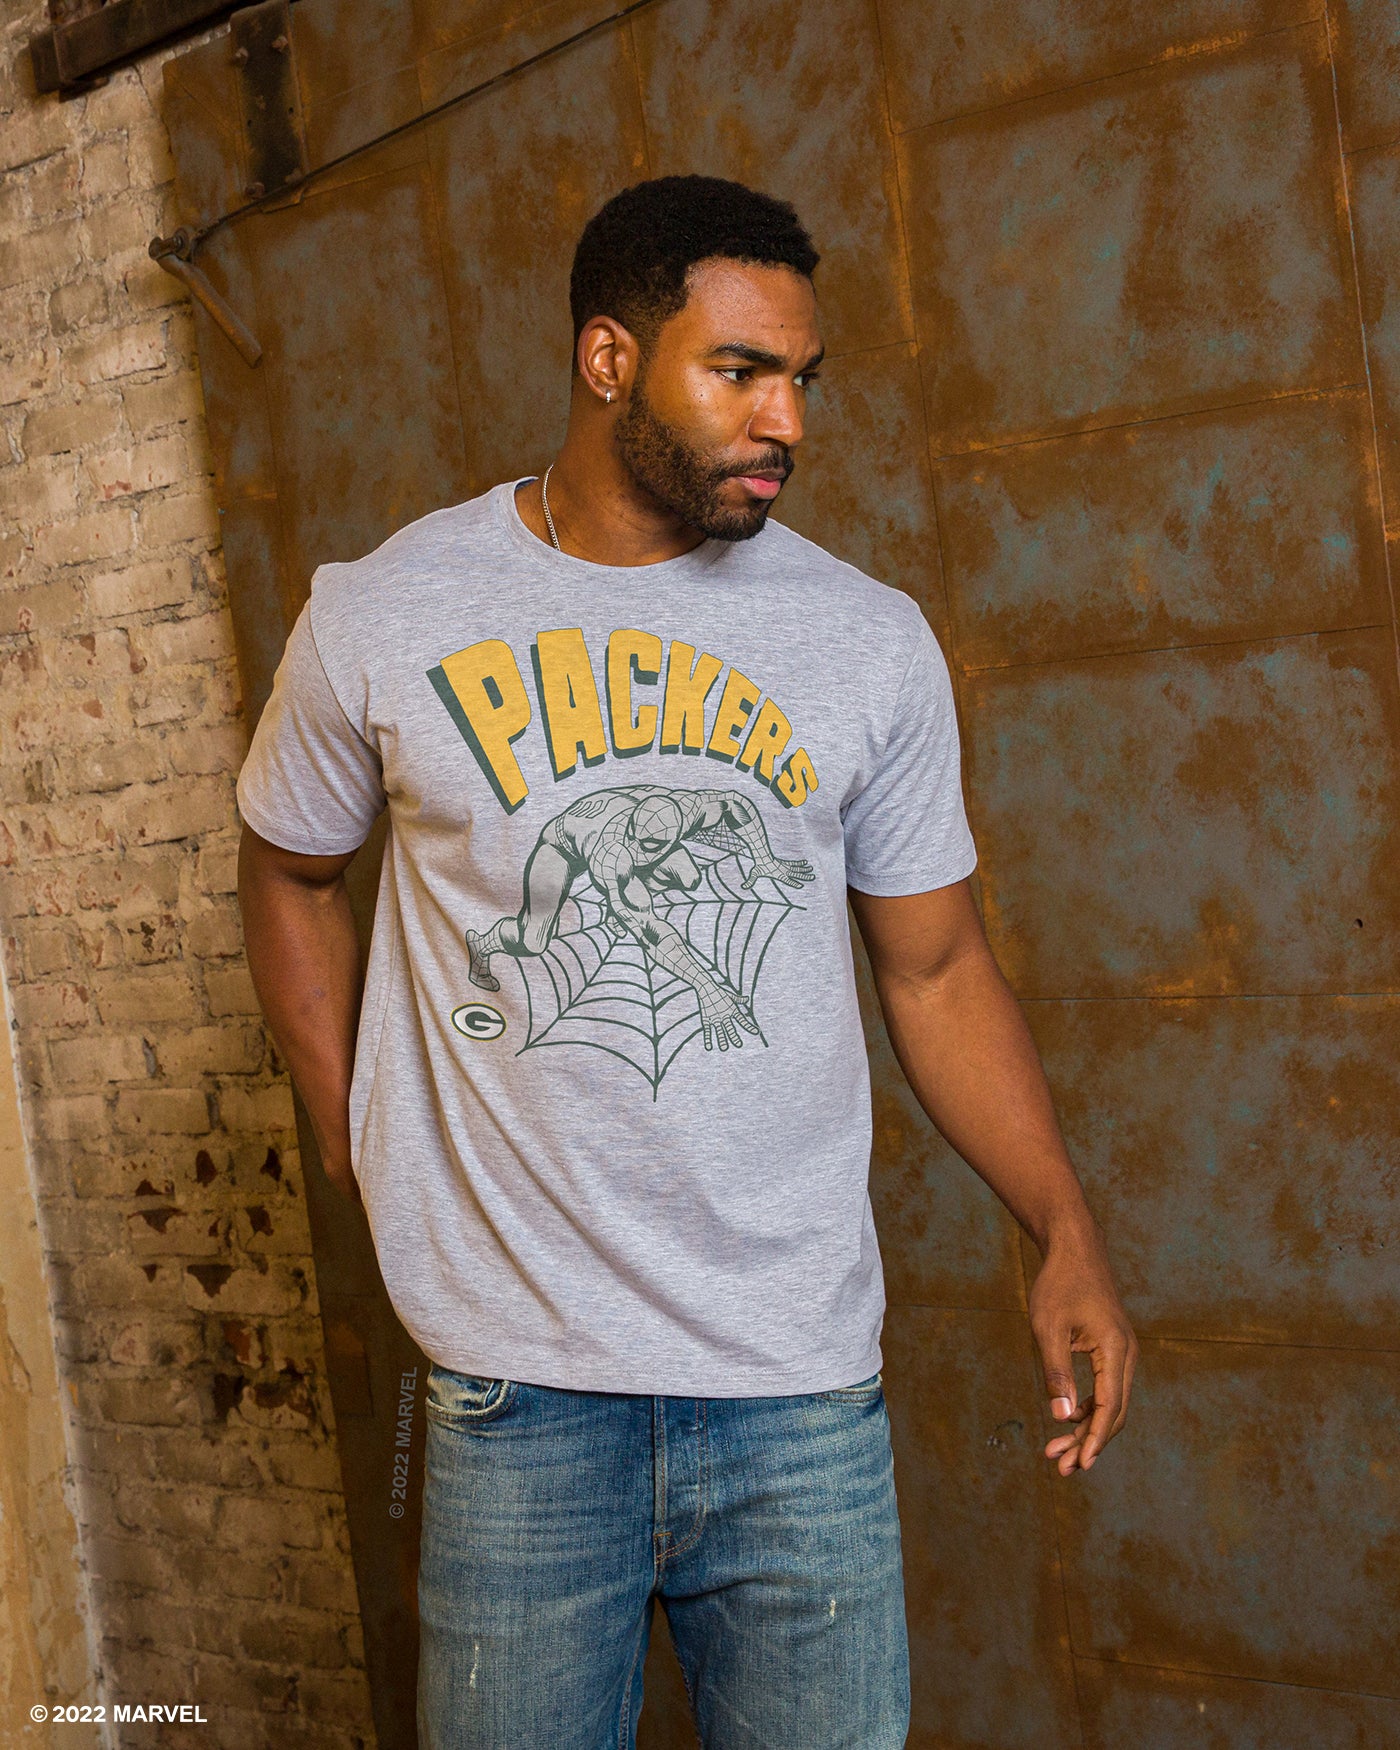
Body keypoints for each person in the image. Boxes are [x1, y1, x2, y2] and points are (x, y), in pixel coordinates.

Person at [236, 174, 1137, 1750]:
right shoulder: (386, 616)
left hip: (798, 1387)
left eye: (802, 378)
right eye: (741, 372)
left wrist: (1061, 1221)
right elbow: (290, 869)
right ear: (608, 359)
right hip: (513, 1391)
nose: (786, 419)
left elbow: (936, 971)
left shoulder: (867, 640)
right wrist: (353, 1131)